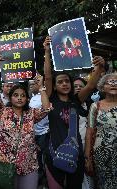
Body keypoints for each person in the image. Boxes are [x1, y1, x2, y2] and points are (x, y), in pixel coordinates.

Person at [43, 36, 105, 189]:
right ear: (55, 86)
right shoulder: (52, 100)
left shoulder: (76, 101)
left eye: (67, 81)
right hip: (54, 155)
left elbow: (90, 85)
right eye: (60, 82)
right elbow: (48, 76)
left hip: (75, 156)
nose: (64, 84)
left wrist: (100, 66)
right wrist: (46, 51)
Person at [0, 53, 49, 189]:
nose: (19, 98)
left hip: (29, 165)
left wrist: (41, 87)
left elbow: (46, 109)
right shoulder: (3, 111)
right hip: (5, 164)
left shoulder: (31, 114)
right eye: (16, 95)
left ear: (27, 99)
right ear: (10, 98)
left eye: (23, 95)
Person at [85, 73, 117, 189]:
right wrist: (87, 157)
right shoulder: (95, 106)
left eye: (116, 82)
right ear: (102, 87)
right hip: (101, 155)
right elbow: (90, 131)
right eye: (110, 82)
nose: (114, 85)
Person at [73, 77, 95, 189]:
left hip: (89, 145)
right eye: (75, 86)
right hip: (73, 147)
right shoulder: (69, 104)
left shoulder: (92, 105)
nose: (78, 88)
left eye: (81, 86)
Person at [29, 74, 49, 188]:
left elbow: (46, 109)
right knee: (36, 159)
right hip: (33, 133)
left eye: (34, 84)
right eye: (30, 84)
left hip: (44, 133)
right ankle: (38, 181)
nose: (31, 86)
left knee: (43, 159)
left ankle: (46, 183)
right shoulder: (32, 97)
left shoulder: (44, 94)